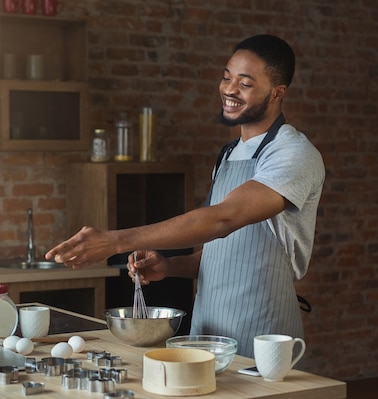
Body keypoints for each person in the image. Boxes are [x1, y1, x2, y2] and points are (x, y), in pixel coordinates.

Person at [45, 34, 325, 358]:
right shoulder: (230, 154)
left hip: (263, 330)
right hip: (208, 329)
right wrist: (171, 265)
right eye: (226, 77)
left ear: (278, 92)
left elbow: (224, 218)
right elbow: (223, 255)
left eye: (245, 83)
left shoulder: (292, 153)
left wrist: (115, 241)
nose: (229, 89)